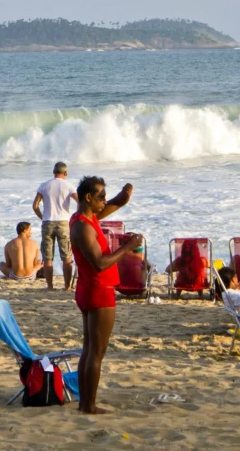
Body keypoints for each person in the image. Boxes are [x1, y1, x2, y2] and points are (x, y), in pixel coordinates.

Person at [70, 175, 140, 414]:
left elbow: (102, 212)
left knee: (89, 350)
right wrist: (127, 248)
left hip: (89, 289)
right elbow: (99, 263)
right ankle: (88, 405)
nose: (104, 201)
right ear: (88, 198)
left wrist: (121, 200)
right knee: (96, 353)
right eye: (101, 197)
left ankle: (84, 403)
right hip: (98, 290)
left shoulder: (83, 219)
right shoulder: (82, 226)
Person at [34, 162, 79, 290]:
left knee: (48, 258)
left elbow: (35, 206)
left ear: (54, 172)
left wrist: (42, 217)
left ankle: (50, 286)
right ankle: (67, 287)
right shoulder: (69, 186)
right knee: (66, 257)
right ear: (65, 173)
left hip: (47, 221)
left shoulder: (44, 185)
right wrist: (76, 217)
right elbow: (79, 202)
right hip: (63, 222)